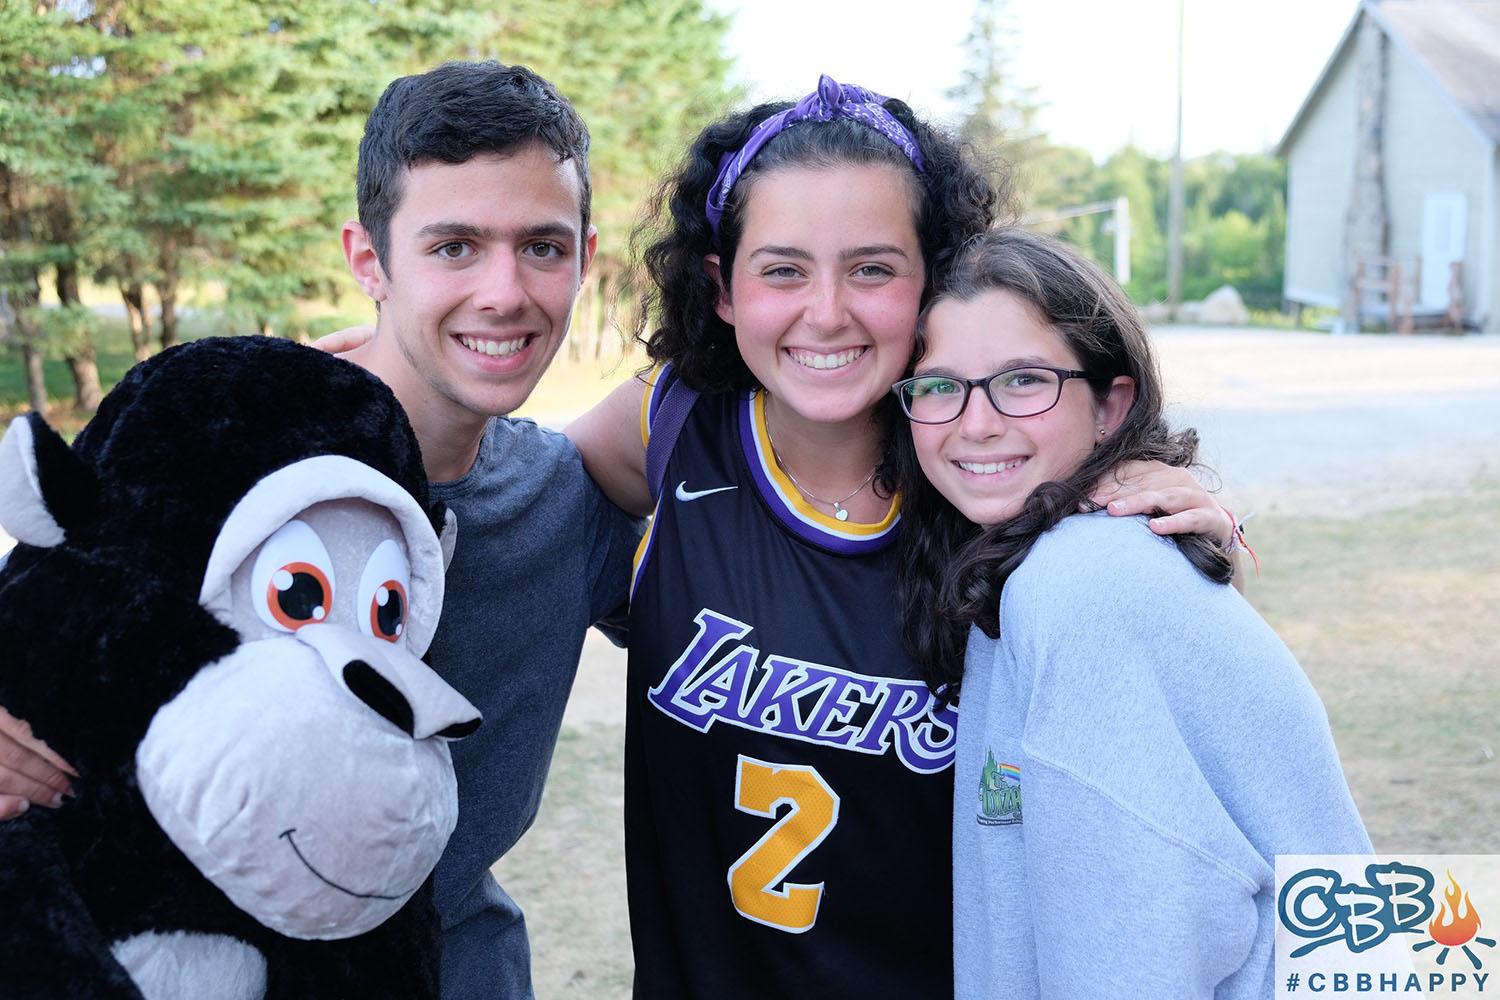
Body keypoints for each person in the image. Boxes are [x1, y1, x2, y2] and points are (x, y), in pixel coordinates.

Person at [566, 76, 1242, 998]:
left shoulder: (1009, 495)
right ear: (722, 289)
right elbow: (504, 496)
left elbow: (1220, 790)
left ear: (936, 278)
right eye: (782, 269)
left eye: (873, 269)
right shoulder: (673, 423)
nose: (827, 311)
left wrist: (1201, 550)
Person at [0, 61, 643, 1000]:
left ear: (585, 257)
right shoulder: (215, 449)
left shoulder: (567, 502)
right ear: (368, 260)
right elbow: (43, 621)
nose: (505, 292)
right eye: (454, 246)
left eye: (542, 247)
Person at [891, 228, 1369, 998]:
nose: (975, 423)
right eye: (941, 387)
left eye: (1023, 380)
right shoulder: (1039, 565)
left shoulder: (1079, 585)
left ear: (1111, 406)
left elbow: (1137, 958)